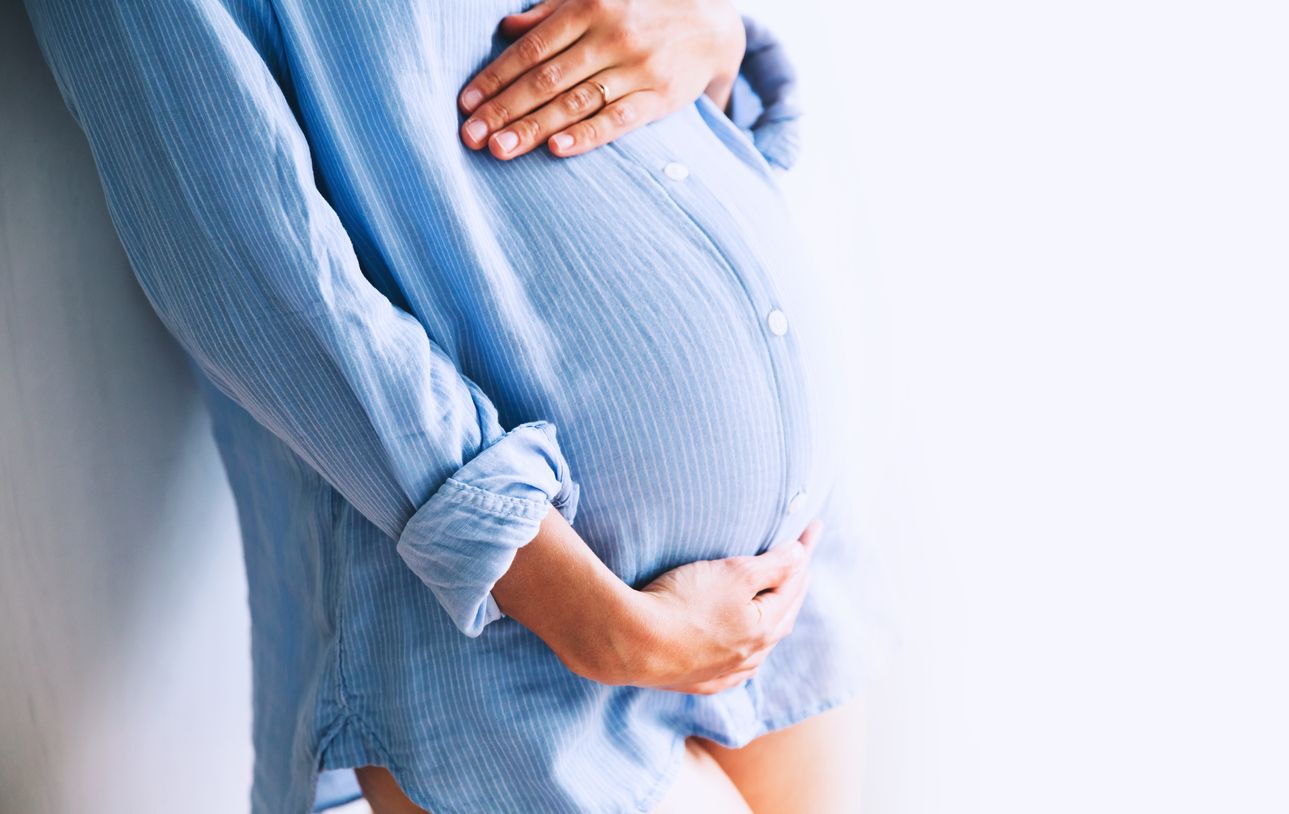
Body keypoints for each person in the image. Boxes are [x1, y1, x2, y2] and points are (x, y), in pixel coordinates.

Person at [23, 0, 894, 811]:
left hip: (788, 576)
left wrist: (713, 31)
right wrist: (555, 591)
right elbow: (224, 230)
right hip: (518, 621)